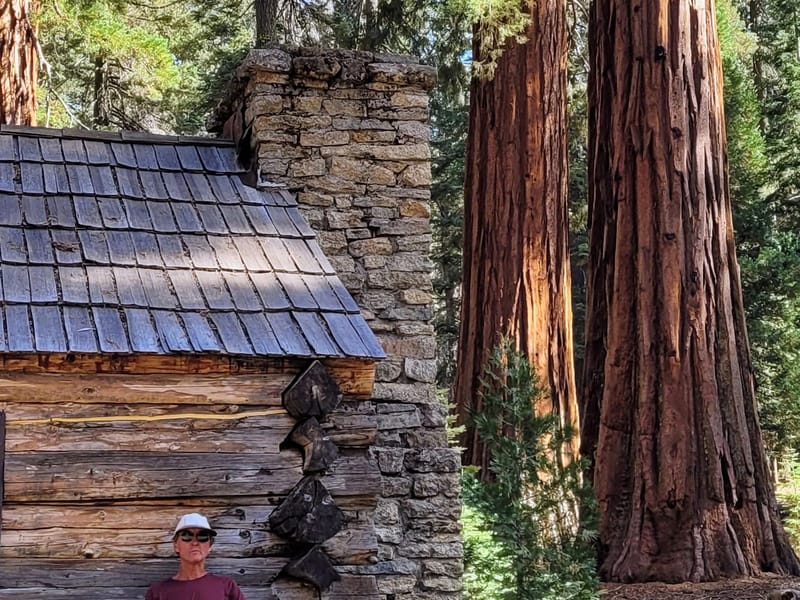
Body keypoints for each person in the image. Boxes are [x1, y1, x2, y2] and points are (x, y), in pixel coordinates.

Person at [145, 513, 246, 600]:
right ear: (176, 545)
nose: (194, 542)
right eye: (187, 536)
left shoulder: (227, 587)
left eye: (202, 536)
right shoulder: (157, 592)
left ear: (210, 546)